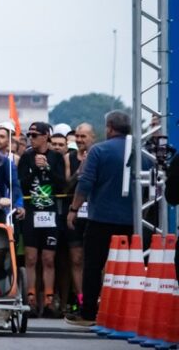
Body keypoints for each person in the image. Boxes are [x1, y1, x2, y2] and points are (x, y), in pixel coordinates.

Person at [65, 111, 150, 327]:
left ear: (109, 128)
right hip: (133, 222)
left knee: (93, 266)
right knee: (132, 267)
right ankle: (131, 312)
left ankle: (88, 313)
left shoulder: (98, 151)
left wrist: (74, 209)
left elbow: (85, 184)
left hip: (100, 219)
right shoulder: (142, 153)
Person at [17, 122, 66, 318]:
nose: (31, 138)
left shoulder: (56, 157)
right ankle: (30, 299)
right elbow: (21, 185)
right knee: (30, 258)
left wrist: (47, 168)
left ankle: (48, 301)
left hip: (50, 214)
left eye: (35, 134)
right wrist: (36, 171)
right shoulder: (26, 158)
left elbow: (62, 185)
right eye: (29, 134)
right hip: (31, 213)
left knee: (48, 259)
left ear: (46, 136)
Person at [64, 122, 95, 312]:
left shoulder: (98, 155)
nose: (80, 140)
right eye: (78, 136)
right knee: (76, 258)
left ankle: (96, 297)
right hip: (75, 212)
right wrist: (80, 168)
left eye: (84, 136)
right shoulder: (69, 157)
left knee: (93, 259)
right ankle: (81, 297)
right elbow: (67, 186)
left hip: (93, 213)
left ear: (93, 138)